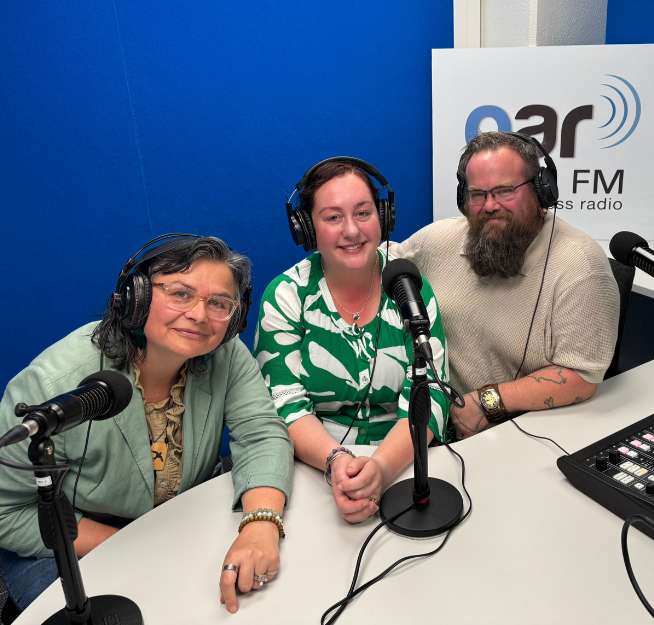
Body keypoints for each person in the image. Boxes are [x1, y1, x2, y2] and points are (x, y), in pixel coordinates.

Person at [0, 235, 293, 615]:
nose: (199, 315)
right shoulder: (54, 382)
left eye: (218, 303)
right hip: (68, 538)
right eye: (181, 294)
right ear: (135, 297)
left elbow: (261, 434)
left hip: (172, 523)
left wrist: (261, 523)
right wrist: (134, 546)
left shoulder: (226, 354)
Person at [255, 158, 449, 524]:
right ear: (306, 228)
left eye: (363, 213)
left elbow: (433, 394)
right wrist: (337, 464)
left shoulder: (407, 286)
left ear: (383, 217)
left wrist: (381, 468)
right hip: (315, 470)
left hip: (407, 464)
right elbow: (284, 402)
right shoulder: (286, 296)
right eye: (332, 217)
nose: (351, 230)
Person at [389, 131, 620, 439]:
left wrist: (488, 402)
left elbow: (582, 376)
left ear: (541, 190)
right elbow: (381, 262)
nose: (490, 206)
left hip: (520, 433)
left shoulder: (580, 266)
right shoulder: (439, 239)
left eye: (504, 191)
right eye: (477, 194)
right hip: (429, 422)